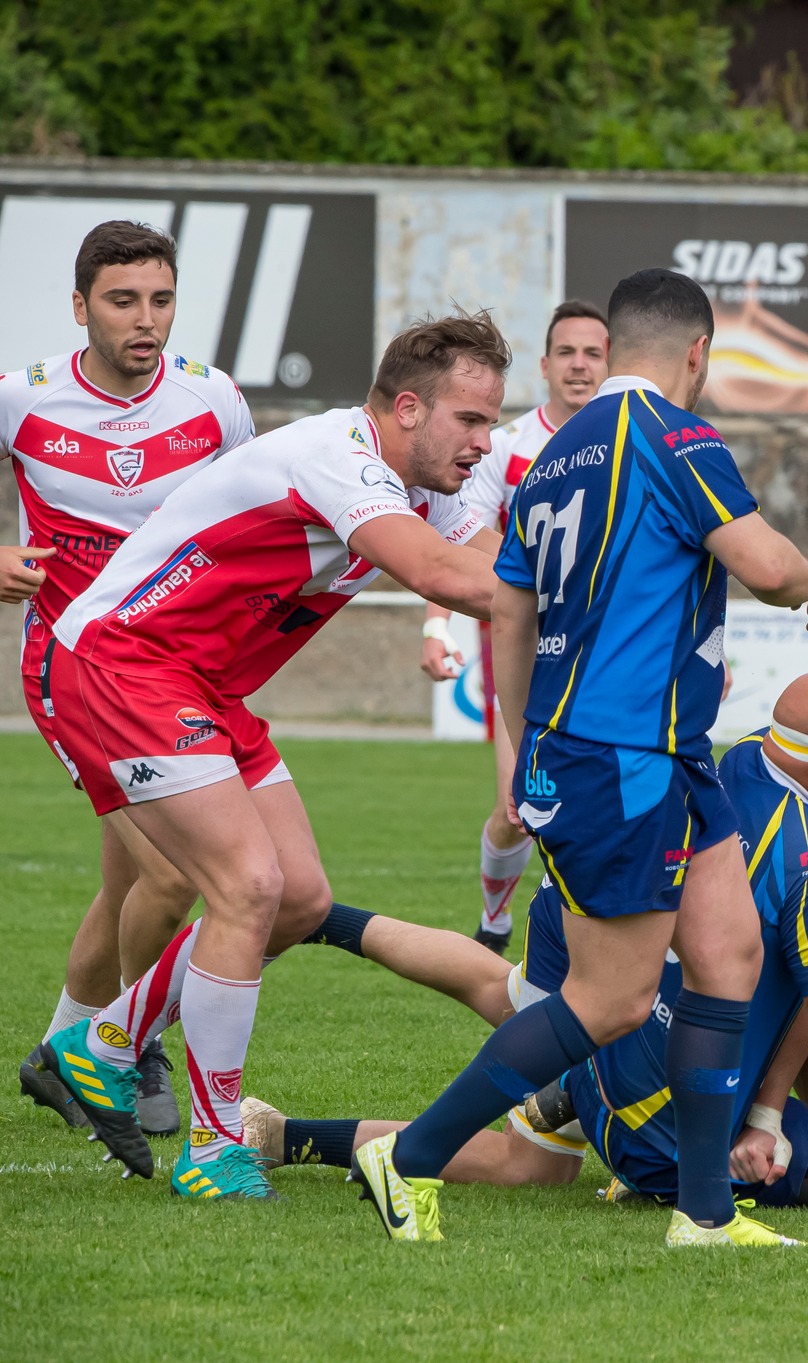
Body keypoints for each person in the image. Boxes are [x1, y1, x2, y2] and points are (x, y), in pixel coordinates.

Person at [350, 268, 808, 1248]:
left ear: (611, 349)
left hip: (650, 751)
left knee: (728, 951)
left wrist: (528, 745)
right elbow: (764, 564)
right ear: (696, 355)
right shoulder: (673, 435)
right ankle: (405, 1157)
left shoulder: (554, 456)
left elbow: (509, 612)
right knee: (612, 998)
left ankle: (703, 1211)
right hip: (624, 753)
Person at [22, 312, 512, 1199]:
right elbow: (448, 578)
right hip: (124, 659)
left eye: (492, 422)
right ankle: (213, 1147)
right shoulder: (341, 457)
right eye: (471, 421)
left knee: (300, 896)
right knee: (247, 887)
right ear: (407, 408)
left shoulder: (427, 480)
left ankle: (103, 1041)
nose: (486, 441)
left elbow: (497, 556)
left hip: (201, 686)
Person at [275, 674, 808, 1214]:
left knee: (505, 1004)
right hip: (671, 1127)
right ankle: (673, 1177)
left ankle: (284, 1108)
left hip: (605, 1035)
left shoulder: (736, 759)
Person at [8, 221, 254, 1139]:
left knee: (131, 886)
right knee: (174, 869)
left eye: (160, 299)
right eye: (121, 300)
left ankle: (62, 1051)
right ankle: (130, 1039)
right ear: (80, 308)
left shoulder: (212, 402)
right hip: (71, 667)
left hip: (179, 670)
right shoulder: (23, 400)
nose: (144, 320)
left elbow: (253, 514)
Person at [419, 299, 609, 953]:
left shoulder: (631, 444)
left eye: (593, 353)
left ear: (610, 364)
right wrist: (436, 625)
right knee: (517, 807)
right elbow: (457, 531)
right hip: (524, 648)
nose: (580, 365)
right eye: (568, 352)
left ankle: (576, 943)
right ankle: (495, 920)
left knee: (597, 806)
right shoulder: (506, 447)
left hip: (608, 652)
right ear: (546, 364)